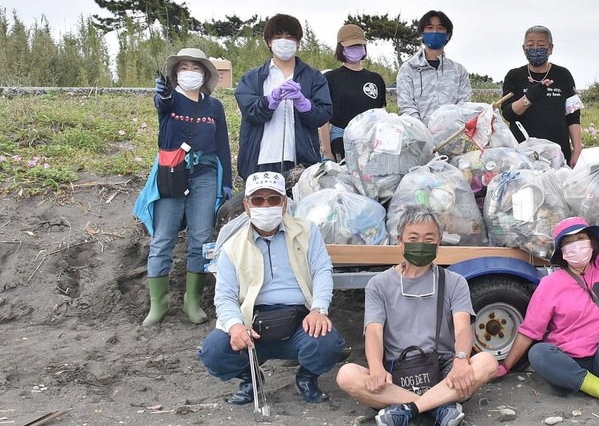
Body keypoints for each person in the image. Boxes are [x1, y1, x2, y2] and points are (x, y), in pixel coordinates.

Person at [495, 180, 599, 415]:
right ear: (562, 253)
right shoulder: (550, 285)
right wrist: (506, 366)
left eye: (580, 239)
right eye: (568, 243)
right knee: (538, 353)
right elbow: (529, 331)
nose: (576, 246)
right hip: (569, 364)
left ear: (591, 243)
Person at [336, 206, 498, 426]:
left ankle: (407, 409)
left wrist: (461, 360)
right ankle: (440, 406)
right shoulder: (379, 285)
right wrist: (376, 368)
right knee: (347, 375)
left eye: (429, 238)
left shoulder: (454, 282)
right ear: (400, 241)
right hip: (397, 371)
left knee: (487, 362)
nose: (421, 244)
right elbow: (373, 331)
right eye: (413, 238)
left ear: (439, 242)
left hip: (444, 372)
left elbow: (462, 328)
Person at [197, 171, 344, 405]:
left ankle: (307, 378)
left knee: (327, 342)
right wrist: (235, 326)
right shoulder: (232, 245)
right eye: (258, 200)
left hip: (299, 320)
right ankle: (250, 380)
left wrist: (319, 309)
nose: (266, 206)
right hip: (251, 322)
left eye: (273, 199)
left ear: (284, 203)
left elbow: (322, 271)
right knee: (213, 351)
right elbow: (225, 296)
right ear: (246, 206)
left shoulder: (307, 231)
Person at [133, 48, 233, 327]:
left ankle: (193, 301)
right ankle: (159, 303)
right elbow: (161, 103)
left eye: (196, 68)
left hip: (205, 175)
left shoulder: (214, 107)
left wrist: (226, 181)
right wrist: (163, 94)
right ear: (176, 74)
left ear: (205, 74)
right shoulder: (170, 99)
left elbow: (222, 145)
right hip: (171, 174)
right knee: (163, 237)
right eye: (184, 67)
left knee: (201, 237)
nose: (190, 72)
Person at [235, 14, 333, 180]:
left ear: (298, 42)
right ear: (269, 42)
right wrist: (269, 101)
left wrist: (304, 104)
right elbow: (249, 112)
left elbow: (323, 114)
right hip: (260, 160)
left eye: (289, 37)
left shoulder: (314, 77)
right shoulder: (252, 78)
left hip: (300, 161)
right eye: (278, 37)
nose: (284, 41)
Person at [500, 25, 583, 167]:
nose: (535, 49)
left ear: (550, 48)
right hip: (522, 154)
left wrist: (577, 151)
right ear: (524, 49)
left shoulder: (563, 75)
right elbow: (508, 114)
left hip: (558, 153)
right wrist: (528, 98)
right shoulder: (514, 76)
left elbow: (573, 116)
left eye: (541, 45)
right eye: (530, 45)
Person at [320, 23, 387, 161]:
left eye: (359, 45)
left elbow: (382, 115)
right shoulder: (330, 78)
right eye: (350, 46)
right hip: (341, 141)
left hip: (372, 145)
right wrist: (327, 152)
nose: (355, 49)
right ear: (341, 48)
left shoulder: (376, 79)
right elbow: (323, 120)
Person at [395, 10, 472, 123]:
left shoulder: (459, 71)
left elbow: (464, 105)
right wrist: (421, 130)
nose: (435, 32)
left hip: (452, 132)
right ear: (422, 34)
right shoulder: (408, 69)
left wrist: (446, 127)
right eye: (430, 28)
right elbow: (406, 105)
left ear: (448, 35)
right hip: (417, 132)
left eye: (440, 28)